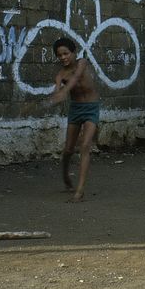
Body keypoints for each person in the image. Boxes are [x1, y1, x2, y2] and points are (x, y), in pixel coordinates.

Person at [50, 37, 99, 203]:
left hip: (92, 108)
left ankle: (80, 192)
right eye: (59, 55)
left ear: (73, 52)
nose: (63, 57)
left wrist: (66, 91)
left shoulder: (82, 63)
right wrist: (58, 94)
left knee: (85, 145)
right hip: (76, 110)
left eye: (66, 53)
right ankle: (65, 177)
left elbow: (77, 77)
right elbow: (57, 90)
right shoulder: (60, 75)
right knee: (68, 150)